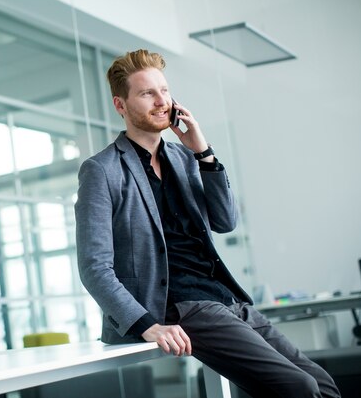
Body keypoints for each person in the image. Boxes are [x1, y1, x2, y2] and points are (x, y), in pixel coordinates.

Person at [75, 49, 340, 398]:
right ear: (120, 105)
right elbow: (94, 266)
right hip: (181, 307)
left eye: (164, 90)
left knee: (323, 385)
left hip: (227, 299)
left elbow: (225, 221)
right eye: (147, 93)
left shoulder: (185, 158)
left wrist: (204, 152)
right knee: (299, 388)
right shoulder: (102, 170)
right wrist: (146, 325)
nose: (161, 101)